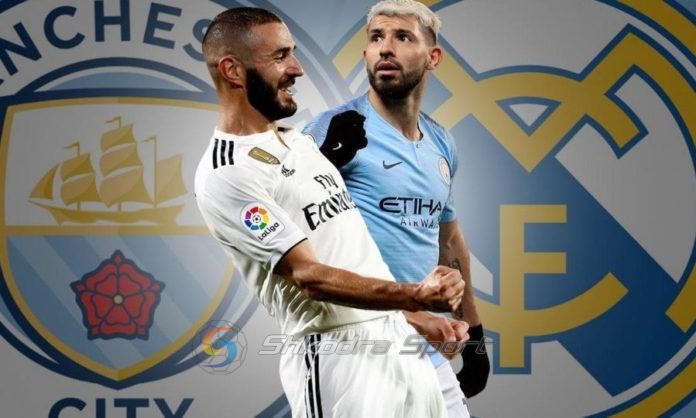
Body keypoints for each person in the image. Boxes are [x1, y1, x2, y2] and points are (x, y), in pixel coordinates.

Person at [194, 7, 468, 418]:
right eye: (280, 57)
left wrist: (411, 317)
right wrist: (414, 294)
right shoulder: (227, 173)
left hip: (397, 341)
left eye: (293, 53)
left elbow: (346, 251)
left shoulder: (299, 143)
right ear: (233, 71)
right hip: (337, 358)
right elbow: (309, 277)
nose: (297, 69)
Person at [302, 0, 490, 416]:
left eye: (402, 37)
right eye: (376, 38)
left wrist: (475, 334)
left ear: (433, 57)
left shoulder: (441, 143)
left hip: (425, 346)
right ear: (366, 53)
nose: (385, 48)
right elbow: (299, 250)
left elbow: (449, 242)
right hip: (354, 345)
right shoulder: (333, 130)